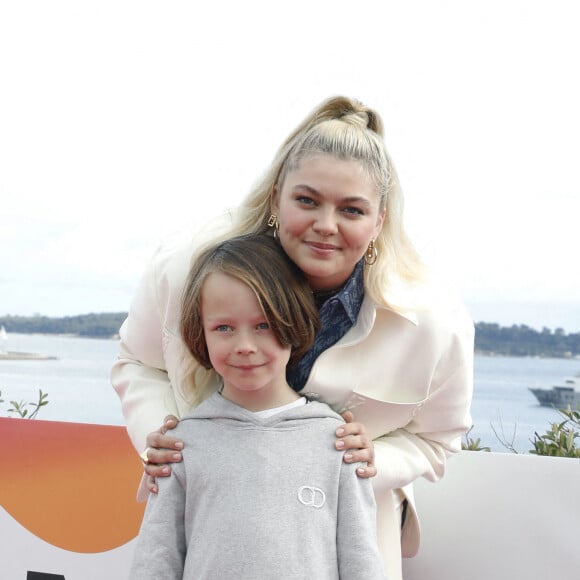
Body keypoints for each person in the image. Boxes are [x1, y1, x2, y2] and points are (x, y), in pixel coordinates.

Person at [112, 95, 474, 580]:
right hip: (213, 533)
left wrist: (365, 460)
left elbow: (439, 438)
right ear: (277, 196)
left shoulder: (435, 322)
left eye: (352, 210)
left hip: (341, 542)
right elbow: (138, 362)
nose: (326, 226)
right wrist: (167, 439)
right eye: (307, 200)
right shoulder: (187, 267)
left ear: (379, 220)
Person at [129, 234, 386, 579]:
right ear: (199, 334)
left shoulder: (338, 442)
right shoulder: (179, 446)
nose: (245, 345)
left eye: (264, 325)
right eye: (223, 328)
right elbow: (155, 562)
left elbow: (361, 561)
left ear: (295, 322)